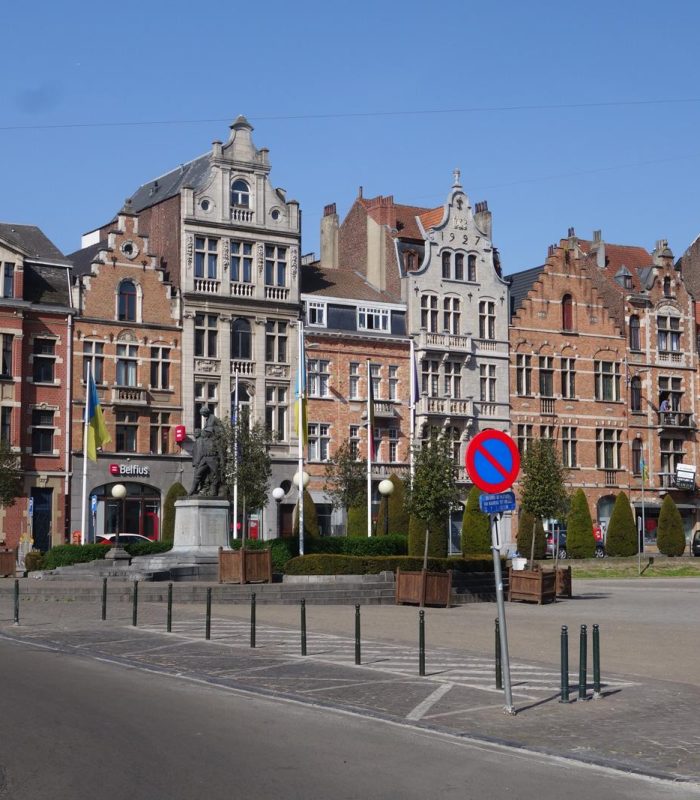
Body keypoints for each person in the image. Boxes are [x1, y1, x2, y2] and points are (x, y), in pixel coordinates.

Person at [188, 428, 221, 496]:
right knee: (199, 475)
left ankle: (212, 491)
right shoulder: (201, 440)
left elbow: (219, 452)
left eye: (207, 432)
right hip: (204, 459)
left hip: (211, 459)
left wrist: (197, 462)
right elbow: (198, 452)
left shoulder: (213, 441)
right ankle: (194, 490)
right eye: (195, 432)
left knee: (214, 476)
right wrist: (197, 462)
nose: (205, 433)